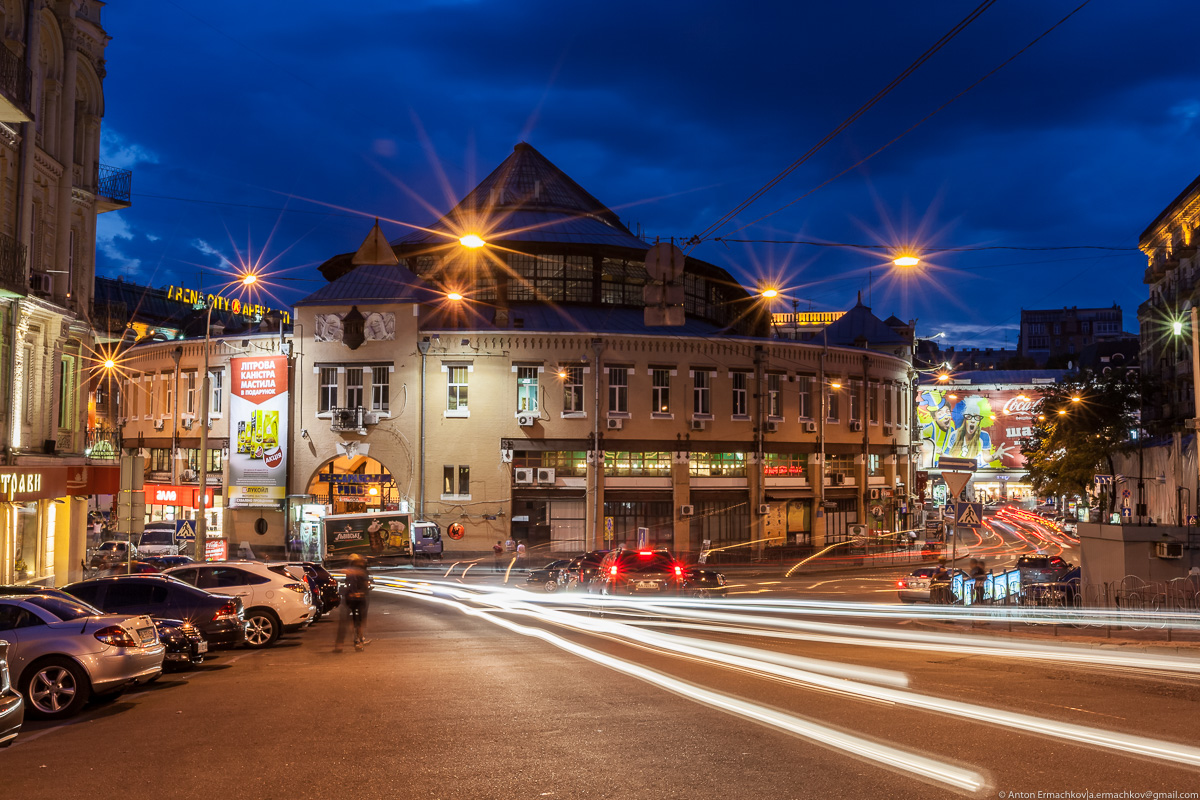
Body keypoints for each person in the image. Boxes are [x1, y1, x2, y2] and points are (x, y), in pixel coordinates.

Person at [334, 554, 372, 652]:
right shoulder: (362, 572)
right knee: (359, 621)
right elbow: (365, 584)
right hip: (358, 599)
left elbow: (347, 584)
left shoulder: (350, 571)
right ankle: (358, 641)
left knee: (346, 621)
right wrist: (361, 592)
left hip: (350, 598)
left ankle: (340, 644)